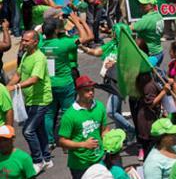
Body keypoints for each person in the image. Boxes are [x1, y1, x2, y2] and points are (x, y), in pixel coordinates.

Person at [42, 16, 93, 148]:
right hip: (65, 83)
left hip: (48, 84)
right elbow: (84, 37)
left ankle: (50, 141)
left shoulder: (41, 45)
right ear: (56, 31)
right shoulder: (64, 44)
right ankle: (67, 141)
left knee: (49, 113)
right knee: (67, 111)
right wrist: (76, 20)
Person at [7, 30, 53, 172]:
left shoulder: (39, 58)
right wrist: (7, 87)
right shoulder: (26, 55)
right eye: (23, 40)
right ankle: (47, 158)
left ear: (35, 42)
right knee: (39, 130)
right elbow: (18, 74)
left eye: (27, 41)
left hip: (41, 100)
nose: (23, 43)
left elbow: (34, 79)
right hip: (30, 100)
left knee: (28, 131)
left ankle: (38, 161)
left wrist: (16, 86)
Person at [58, 75, 108, 179]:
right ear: (78, 92)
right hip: (80, 166)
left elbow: (104, 129)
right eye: (87, 90)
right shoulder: (69, 115)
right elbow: (62, 141)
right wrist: (83, 144)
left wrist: (108, 138)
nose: (91, 93)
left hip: (99, 160)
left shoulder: (100, 107)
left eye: (92, 90)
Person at [132, 0, 164, 66]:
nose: (141, 6)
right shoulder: (159, 16)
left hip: (151, 55)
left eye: (145, 4)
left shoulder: (147, 19)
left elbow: (130, 28)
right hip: (159, 52)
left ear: (151, 5)